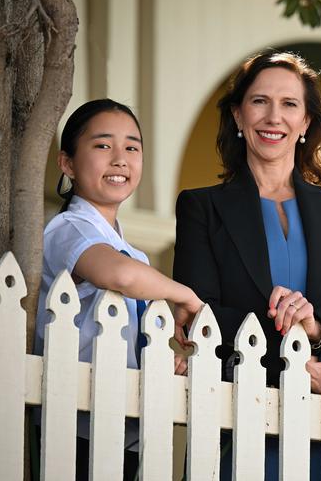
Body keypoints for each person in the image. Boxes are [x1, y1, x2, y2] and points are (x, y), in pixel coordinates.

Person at [173, 50, 321, 480]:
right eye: (259, 101)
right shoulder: (201, 207)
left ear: (307, 122)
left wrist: (316, 326)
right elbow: (200, 313)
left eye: (290, 104)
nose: (274, 117)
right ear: (237, 115)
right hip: (236, 407)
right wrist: (283, 332)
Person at [34, 98, 203, 480]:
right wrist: (184, 295)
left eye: (131, 147)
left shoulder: (129, 250)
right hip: (75, 423)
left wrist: (160, 366)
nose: (120, 159)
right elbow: (118, 276)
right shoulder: (68, 229)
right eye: (102, 145)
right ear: (67, 163)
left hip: (120, 425)